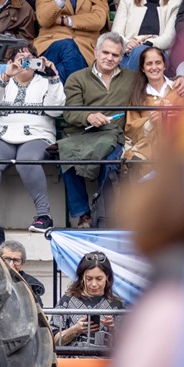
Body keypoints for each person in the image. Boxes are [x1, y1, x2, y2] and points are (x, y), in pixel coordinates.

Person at [54, 31, 136, 229]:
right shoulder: (77, 78)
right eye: (105, 52)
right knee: (65, 157)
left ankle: (105, 215)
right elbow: (70, 113)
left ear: (121, 56)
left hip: (113, 135)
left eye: (115, 55)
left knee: (109, 162)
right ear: (96, 51)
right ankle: (83, 214)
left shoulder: (132, 78)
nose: (109, 58)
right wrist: (89, 116)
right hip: (83, 134)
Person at [0, 51, 64, 231]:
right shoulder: (3, 80)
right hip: (2, 135)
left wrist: (54, 76)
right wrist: (7, 75)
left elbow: (56, 111)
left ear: (38, 62)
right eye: (20, 59)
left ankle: (43, 215)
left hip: (37, 135)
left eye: (29, 58)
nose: (25, 63)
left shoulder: (47, 82)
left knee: (27, 161)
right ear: (10, 62)